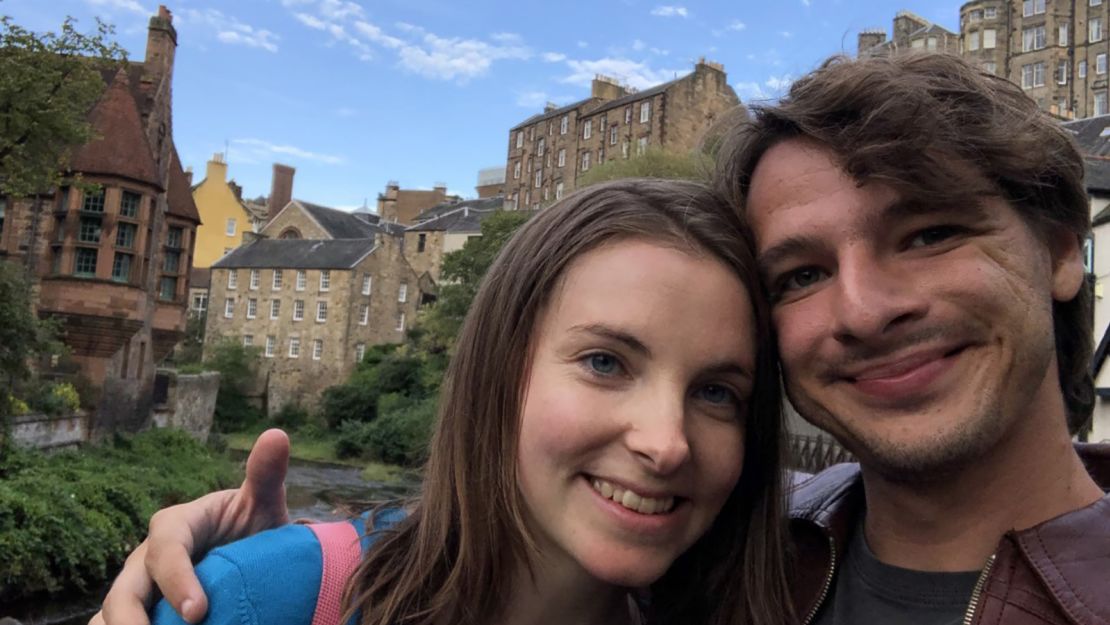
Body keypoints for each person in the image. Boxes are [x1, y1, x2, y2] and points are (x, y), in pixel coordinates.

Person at [94, 51, 1110, 625]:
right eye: (800, 273)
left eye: (930, 232)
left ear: (1064, 249)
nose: (862, 308)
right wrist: (282, 573)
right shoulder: (747, 558)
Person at [133, 179, 793, 625]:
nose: (667, 440)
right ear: (499, 373)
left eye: (715, 391)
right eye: (605, 362)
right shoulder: (257, 601)